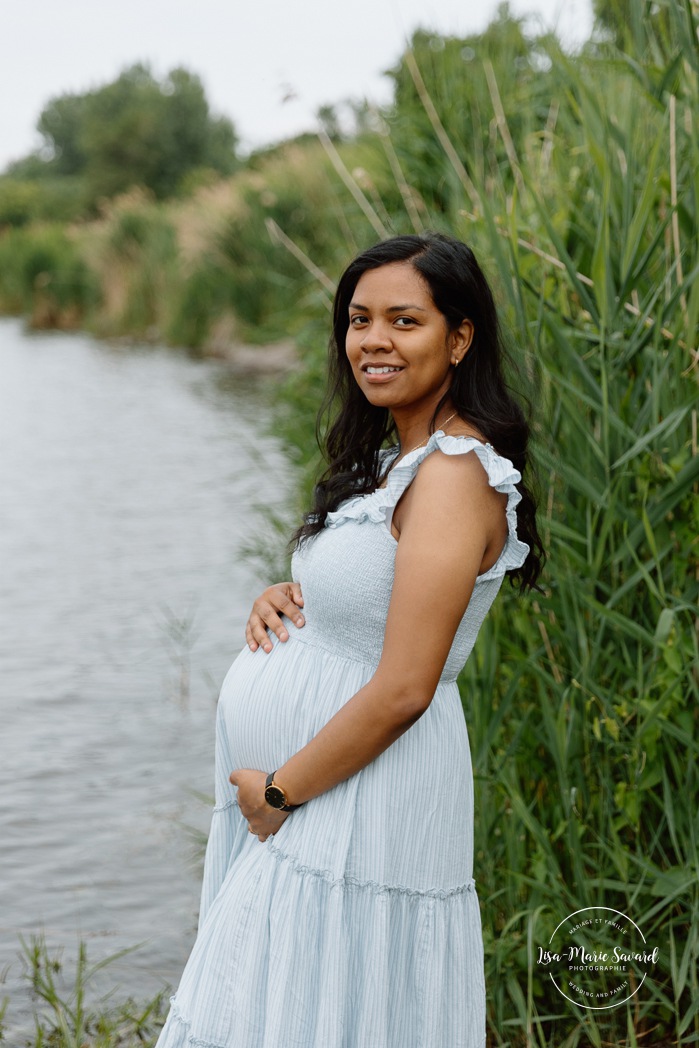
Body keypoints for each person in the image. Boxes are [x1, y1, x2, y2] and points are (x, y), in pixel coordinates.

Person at [155, 232, 544, 1048]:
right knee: (291, 1009)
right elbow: (372, 598)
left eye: (404, 320)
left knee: (316, 1014)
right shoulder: (392, 459)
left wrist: (278, 795)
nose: (374, 340)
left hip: (351, 795)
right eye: (359, 319)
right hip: (321, 795)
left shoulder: (451, 476)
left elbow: (405, 685)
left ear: (459, 336)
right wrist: (291, 597)